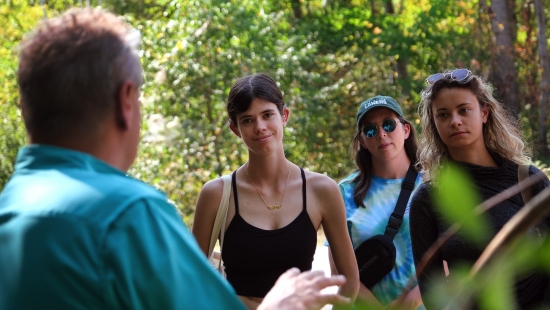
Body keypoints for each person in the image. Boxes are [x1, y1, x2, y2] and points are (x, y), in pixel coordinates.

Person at [0, 8, 352, 310]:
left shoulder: (11, 206)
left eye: (268, 115)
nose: (259, 126)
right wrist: (280, 304)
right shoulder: (129, 214)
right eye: (139, 98)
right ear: (126, 101)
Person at [192, 73, 360, 309]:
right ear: (235, 129)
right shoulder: (217, 194)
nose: (260, 127)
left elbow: (350, 282)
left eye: (267, 115)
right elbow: (191, 282)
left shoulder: (322, 190)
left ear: (284, 116)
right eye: (247, 120)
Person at [410, 69, 550, 308]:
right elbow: (432, 291)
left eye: (464, 110)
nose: (455, 121)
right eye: (443, 115)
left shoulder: (527, 181)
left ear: (484, 112)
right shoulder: (428, 199)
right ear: (434, 122)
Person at [326, 95, 425, 309]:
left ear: (406, 130)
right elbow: (337, 272)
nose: (381, 134)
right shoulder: (343, 192)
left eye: (389, 124)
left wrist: (411, 301)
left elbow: (448, 257)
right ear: (362, 140)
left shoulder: (433, 186)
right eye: (370, 129)